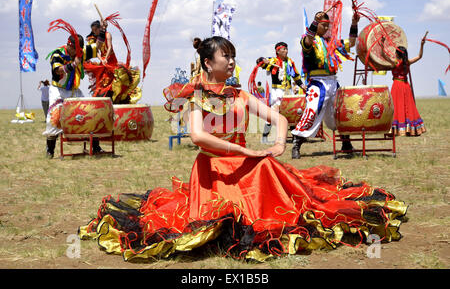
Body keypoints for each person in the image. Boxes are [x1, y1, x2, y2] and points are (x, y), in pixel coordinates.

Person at [79, 36, 407, 262]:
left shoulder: (239, 95)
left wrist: (279, 142)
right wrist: (246, 153)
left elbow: (277, 118)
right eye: (227, 56)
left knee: (274, 173)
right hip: (213, 168)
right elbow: (198, 137)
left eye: (234, 55)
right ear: (208, 62)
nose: (233, 61)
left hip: (245, 163)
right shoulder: (194, 95)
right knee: (257, 172)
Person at [291, 9, 359, 159]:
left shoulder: (333, 43)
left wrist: (354, 23)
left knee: (340, 112)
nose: (326, 28)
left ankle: (346, 144)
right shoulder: (309, 40)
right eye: (323, 25)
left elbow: (352, 43)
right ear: (317, 25)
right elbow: (308, 41)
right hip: (317, 82)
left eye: (328, 25)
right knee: (312, 110)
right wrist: (314, 22)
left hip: (333, 82)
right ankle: (297, 143)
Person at [43, 20, 107, 158]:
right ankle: (50, 149)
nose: (77, 54)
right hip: (58, 90)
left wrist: (102, 30)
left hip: (73, 90)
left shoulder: (80, 52)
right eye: (75, 51)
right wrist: (72, 64)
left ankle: (95, 146)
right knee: (54, 117)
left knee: (90, 111)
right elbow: (58, 71)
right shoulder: (57, 54)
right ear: (69, 46)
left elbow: (99, 45)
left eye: (79, 52)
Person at [256, 42, 306, 143]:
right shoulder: (273, 61)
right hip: (277, 91)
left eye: (286, 49)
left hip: (288, 91)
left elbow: (296, 76)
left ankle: (295, 137)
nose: (286, 51)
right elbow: (259, 62)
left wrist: (302, 86)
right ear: (278, 51)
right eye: (283, 49)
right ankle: (265, 137)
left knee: (292, 112)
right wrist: (263, 60)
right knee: (273, 114)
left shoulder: (290, 62)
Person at [390, 36, 427, 136]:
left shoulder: (394, 63)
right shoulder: (407, 62)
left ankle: (396, 130)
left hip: (397, 86)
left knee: (397, 106)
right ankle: (411, 129)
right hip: (406, 86)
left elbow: (383, 56)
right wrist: (422, 45)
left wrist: (381, 43)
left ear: (397, 54)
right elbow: (419, 56)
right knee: (408, 106)